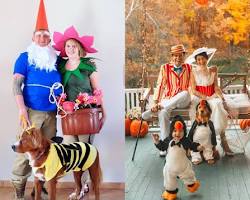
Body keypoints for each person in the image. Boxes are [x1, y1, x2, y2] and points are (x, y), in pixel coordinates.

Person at [11, 0, 62, 199]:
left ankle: (40, 189)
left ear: (49, 39)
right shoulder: (24, 57)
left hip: (51, 114)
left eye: (46, 35)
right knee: (25, 153)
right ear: (33, 37)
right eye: (39, 34)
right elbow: (16, 85)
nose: (42, 38)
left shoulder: (56, 60)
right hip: (31, 112)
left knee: (46, 153)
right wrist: (22, 110)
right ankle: (19, 191)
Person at [53, 25, 106, 198]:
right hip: (68, 116)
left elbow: (97, 92)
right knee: (71, 152)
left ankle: (85, 187)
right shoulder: (60, 66)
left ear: (80, 48)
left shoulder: (88, 66)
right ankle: (79, 186)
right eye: (67, 46)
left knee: (85, 152)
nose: (70, 49)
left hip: (86, 114)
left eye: (74, 46)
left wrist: (103, 112)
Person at [142, 44, 192, 156]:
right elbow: (160, 86)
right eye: (175, 56)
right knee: (163, 113)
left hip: (183, 100)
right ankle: (165, 146)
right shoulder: (165, 68)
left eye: (180, 55)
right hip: (168, 100)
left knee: (184, 93)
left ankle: (158, 107)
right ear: (172, 56)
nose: (178, 58)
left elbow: (192, 85)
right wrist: (156, 102)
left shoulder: (189, 68)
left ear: (183, 56)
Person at [188, 47, 233, 155]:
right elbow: (193, 90)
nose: (201, 61)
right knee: (201, 111)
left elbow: (216, 87)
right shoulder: (193, 71)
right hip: (199, 97)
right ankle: (196, 145)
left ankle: (222, 140)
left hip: (212, 96)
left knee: (218, 105)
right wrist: (204, 97)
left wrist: (222, 99)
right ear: (196, 61)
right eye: (198, 59)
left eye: (203, 58)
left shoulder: (213, 69)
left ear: (207, 58)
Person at [151, 115, 202, 200]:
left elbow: (192, 145)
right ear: (171, 131)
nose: (177, 134)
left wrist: (198, 147)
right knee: (169, 180)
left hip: (183, 166)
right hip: (170, 168)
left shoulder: (185, 141)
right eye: (175, 131)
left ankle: (191, 184)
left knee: (188, 175)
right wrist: (157, 141)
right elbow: (162, 146)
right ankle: (170, 192)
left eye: (180, 131)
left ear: (184, 132)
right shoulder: (168, 140)